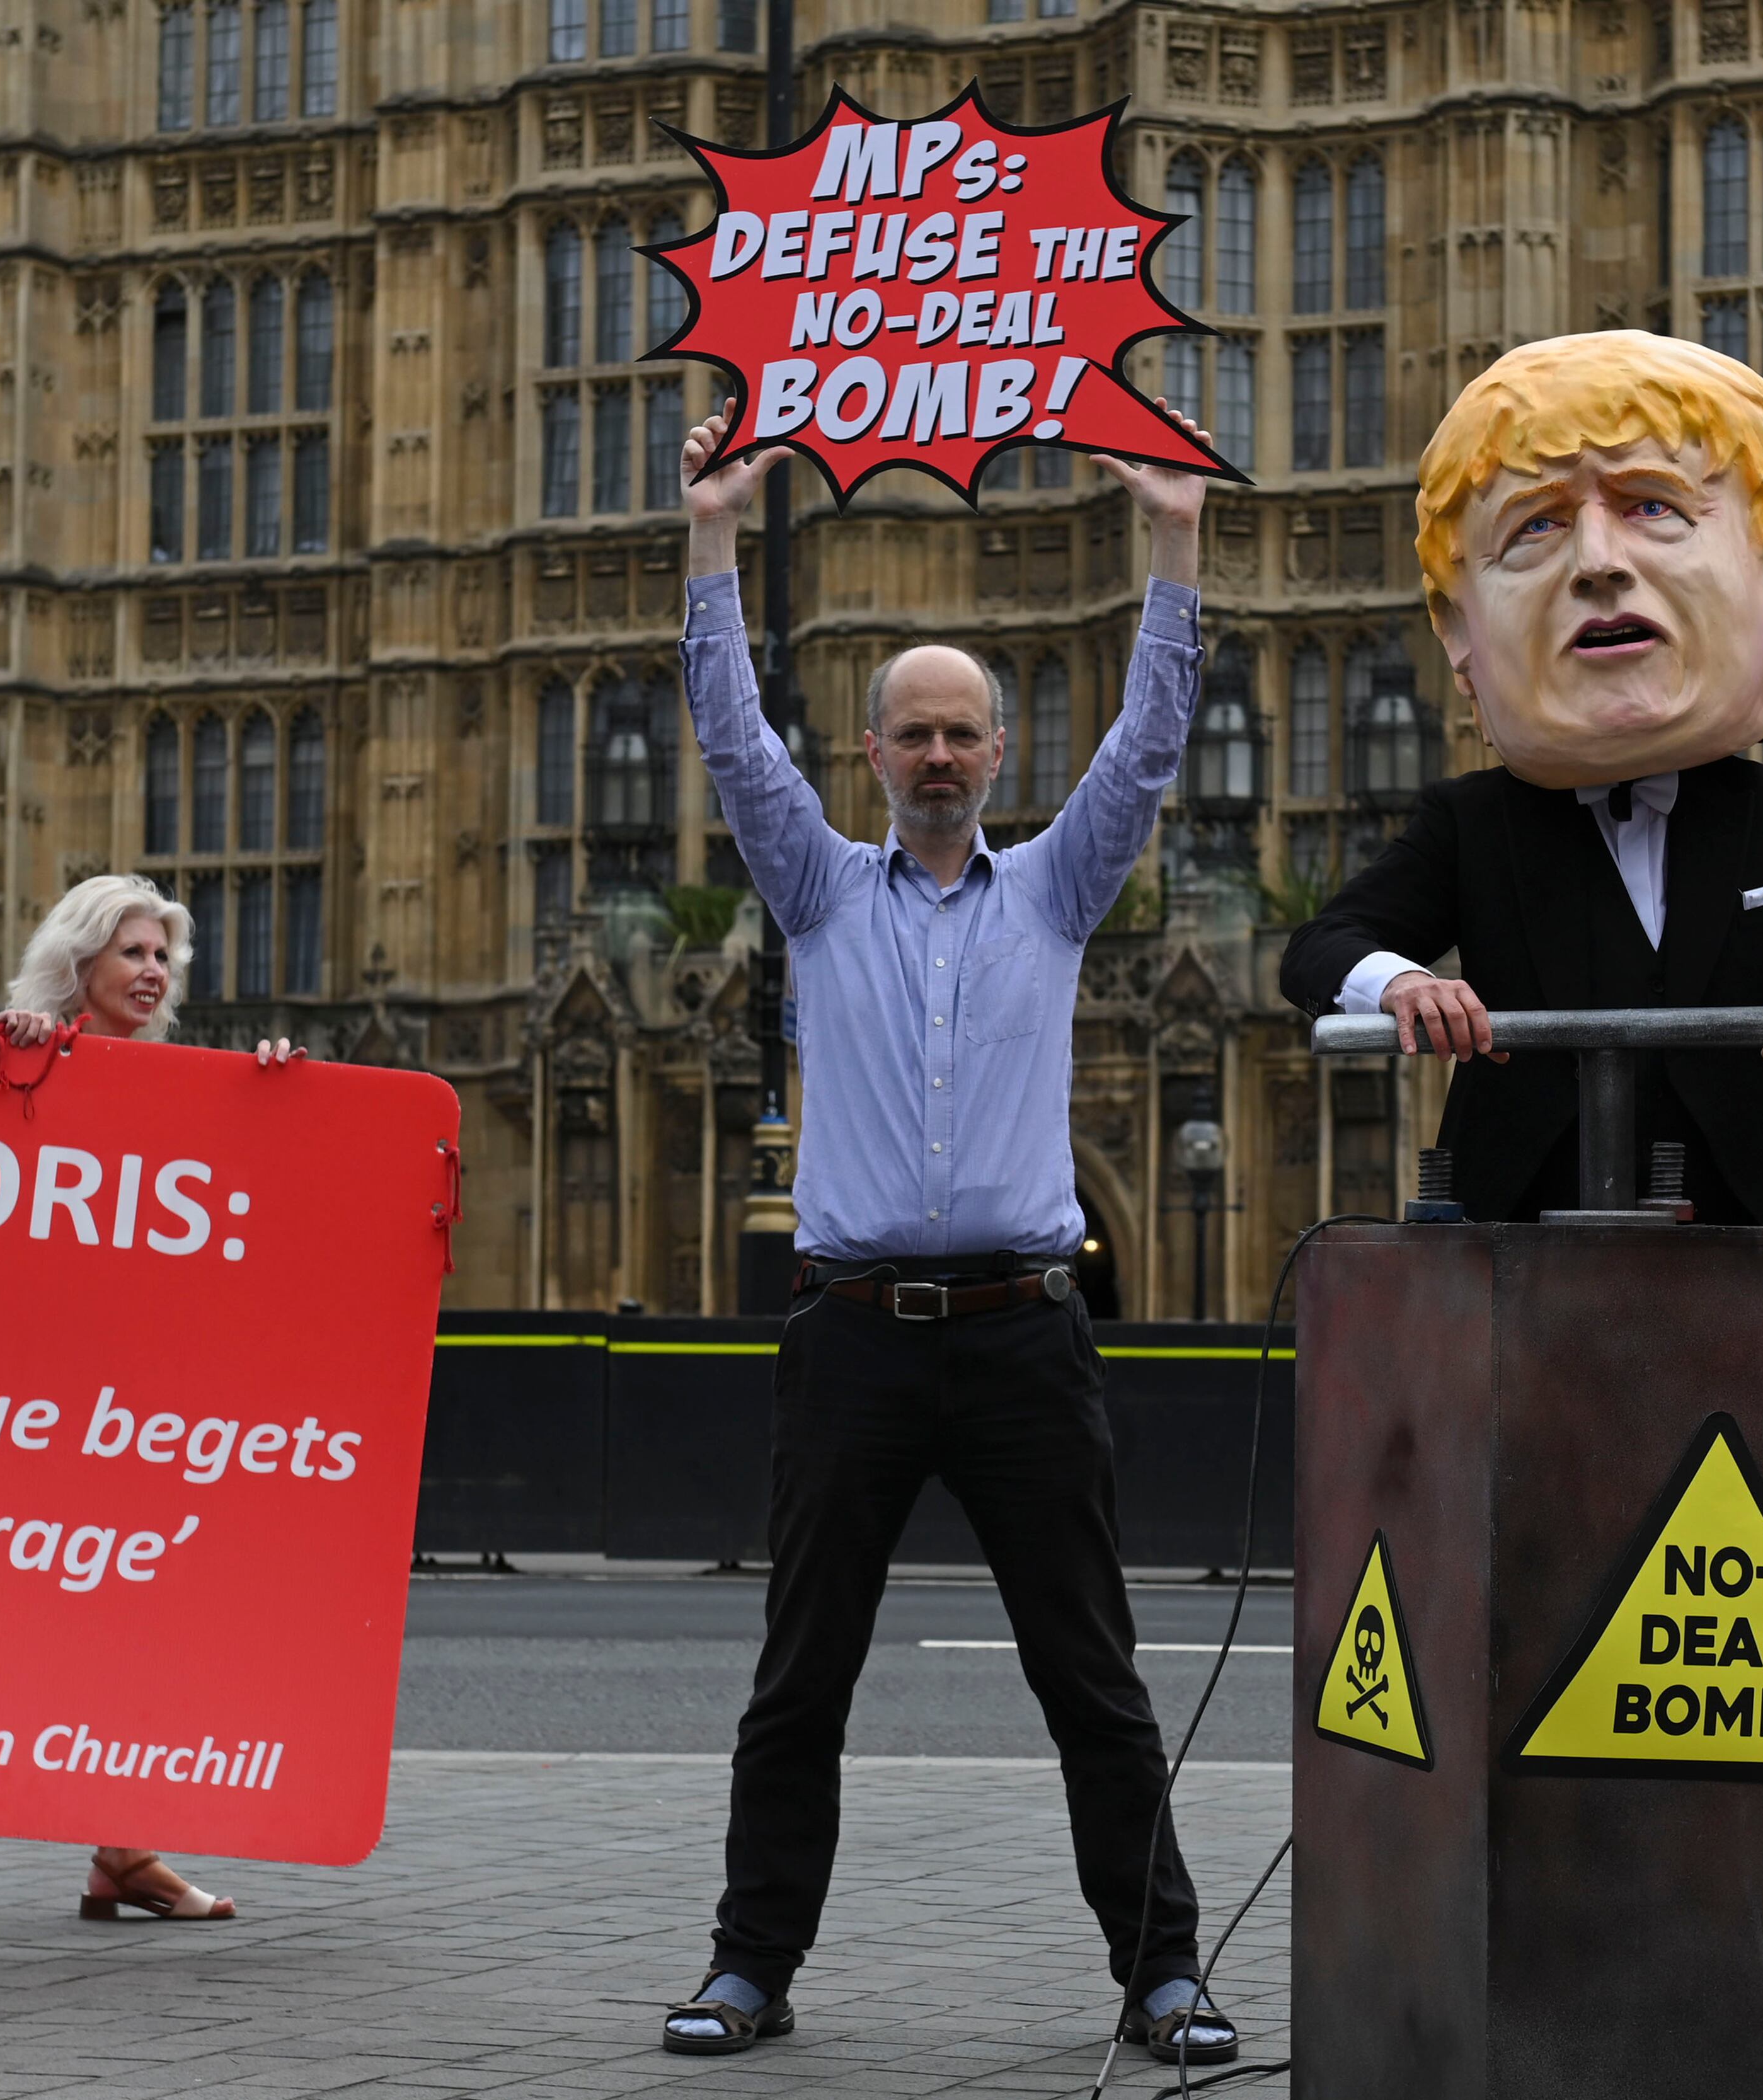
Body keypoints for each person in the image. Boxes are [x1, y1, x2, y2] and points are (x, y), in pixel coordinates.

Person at [657, 411, 1241, 2066]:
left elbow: (1148, 742)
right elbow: (723, 726)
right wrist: (714, 537)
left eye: (960, 734)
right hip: (850, 1325)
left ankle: (1163, 1968)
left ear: (997, 755)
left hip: (1019, 1331)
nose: (932, 756)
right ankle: (748, 1964)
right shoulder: (817, 889)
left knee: (1091, 1676)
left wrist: (1175, 547)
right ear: (868, 756)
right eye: (907, 732)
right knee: (799, 1678)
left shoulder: (1057, 891)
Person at [1278, 331, 1763, 1222]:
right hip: (1514, 1245)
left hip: (1736, 1241)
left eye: (1652, 507)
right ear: (1458, 627)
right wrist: (1401, 983)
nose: (1600, 562)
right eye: (1536, 524)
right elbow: (1319, 948)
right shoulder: (1471, 823)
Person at [0, 874, 296, 1924]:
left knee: (128, 1613)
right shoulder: (16, 1054)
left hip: (117, 1402)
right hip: (1, 1392)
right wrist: (12, 1049)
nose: (154, 970)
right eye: (133, 950)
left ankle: (122, 1850)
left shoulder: (177, 1082)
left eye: (163, 955)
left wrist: (280, 1095)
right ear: (81, 960)